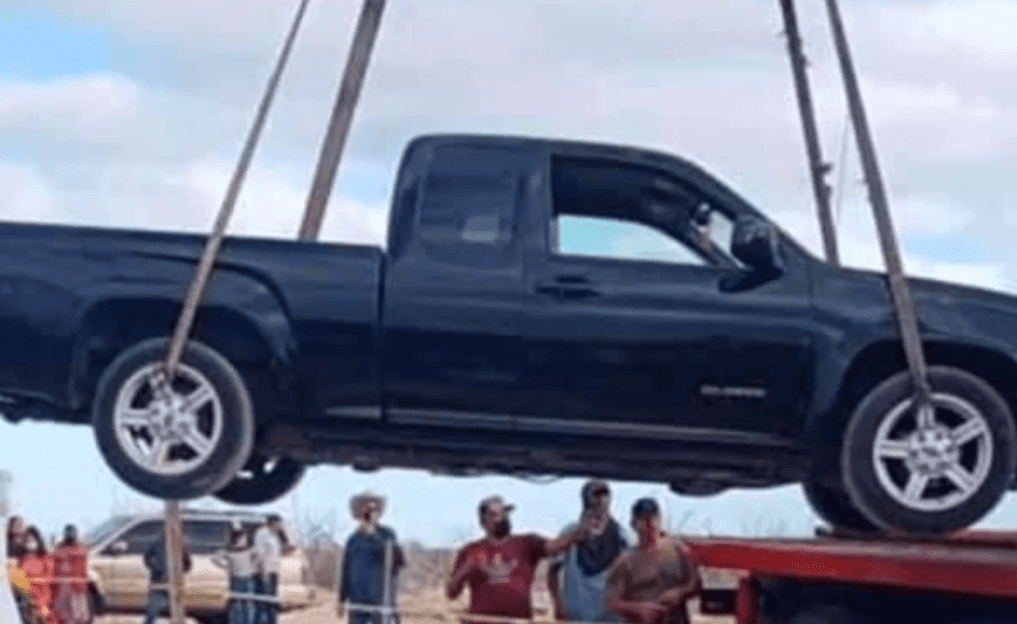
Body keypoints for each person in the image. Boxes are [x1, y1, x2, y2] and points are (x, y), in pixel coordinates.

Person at [446, 495, 596, 624]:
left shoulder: (526, 543)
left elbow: (555, 546)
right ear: (484, 521)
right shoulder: (470, 551)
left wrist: (579, 532)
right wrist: (466, 568)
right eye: (496, 514)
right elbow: (451, 593)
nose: (503, 517)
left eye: (505, 513)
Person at [604, 498, 703, 624]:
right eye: (643, 520)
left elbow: (695, 583)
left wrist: (679, 593)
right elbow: (611, 602)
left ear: (659, 521)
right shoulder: (624, 562)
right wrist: (640, 609)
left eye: (652, 519)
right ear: (633, 524)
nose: (649, 524)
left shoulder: (679, 551)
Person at [547, 479, 629, 623]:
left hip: (611, 618)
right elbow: (553, 569)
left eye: (604, 495)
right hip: (577, 617)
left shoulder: (622, 537)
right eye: (596, 495)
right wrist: (558, 605)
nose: (601, 500)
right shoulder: (570, 533)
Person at [338, 492, 405, 624]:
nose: (369, 514)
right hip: (357, 601)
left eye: (373, 509)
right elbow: (345, 570)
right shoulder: (353, 540)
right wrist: (341, 599)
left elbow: (399, 563)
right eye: (366, 510)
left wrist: (373, 534)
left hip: (381, 601)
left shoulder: (387, 535)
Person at [142, 531, 193, 624]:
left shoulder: (180, 544)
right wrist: (156, 569)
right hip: (161, 582)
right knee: (155, 610)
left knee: (171, 611)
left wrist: (176, 571)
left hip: (170, 583)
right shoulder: (159, 542)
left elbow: (187, 565)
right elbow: (147, 558)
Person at [213, 524, 257, 624]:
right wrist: (226, 566)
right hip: (239, 579)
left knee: (245, 603)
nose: (245, 540)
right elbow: (215, 558)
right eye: (243, 538)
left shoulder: (245, 550)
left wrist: (226, 566)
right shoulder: (232, 551)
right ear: (238, 538)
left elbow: (259, 553)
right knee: (239, 603)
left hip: (245, 578)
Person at [51, 525, 91, 624]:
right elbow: (55, 564)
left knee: (78, 613)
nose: (70, 536)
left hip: (76, 585)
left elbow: (82, 567)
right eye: (68, 533)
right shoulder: (60, 547)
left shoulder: (79, 548)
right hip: (63, 585)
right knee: (64, 614)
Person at [253, 514, 286, 624]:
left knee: (272, 601)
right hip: (265, 571)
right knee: (265, 601)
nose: (280, 525)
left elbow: (280, 550)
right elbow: (260, 553)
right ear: (272, 523)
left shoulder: (275, 535)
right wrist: (261, 570)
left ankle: (271, 621)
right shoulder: (262, 533)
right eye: (278, 523)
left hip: (274, 570)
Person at [18, 526, 56, 624]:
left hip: (45, 600)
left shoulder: (45, 557)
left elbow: (50, 576)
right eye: (27, 540)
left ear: (37, 539)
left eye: (31, 540)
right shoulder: (21, 560)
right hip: (29, 603)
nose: (29, 543)